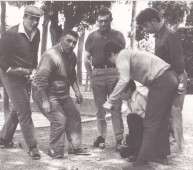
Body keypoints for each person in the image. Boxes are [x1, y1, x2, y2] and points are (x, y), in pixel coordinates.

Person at [102, 40, 178, 169]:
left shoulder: (121, 56)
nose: (114, 65)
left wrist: (110, 101)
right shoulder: (130, 54)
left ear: (111, 54)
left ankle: (141, 163)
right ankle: (161, 156)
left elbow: (124, 80)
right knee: (160, 121)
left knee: (150, 122)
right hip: (169, 78)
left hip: (161, 81)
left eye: (110, 61)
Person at [0, 5, 44, 160]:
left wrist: (32, 70)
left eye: (37, 19)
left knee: (18, 108)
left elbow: (34, 54)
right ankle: (32, 147)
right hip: (10, 75)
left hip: (25, 75)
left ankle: (4, 139)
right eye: (32, 19)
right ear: (24, 17)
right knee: (25, 109)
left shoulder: (37, 32)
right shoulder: (10, 34)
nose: (35, 23)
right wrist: (9, 70)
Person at [136, 7, 188, 154]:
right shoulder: (160, 35)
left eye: (146, 25)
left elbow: (178, 63)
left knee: (174, 112)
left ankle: (177, 147)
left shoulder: (170, 35)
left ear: (154, 21)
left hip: (176, 77)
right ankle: (170, 146)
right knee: (166, 112)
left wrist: (177, 82)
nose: (145, 29)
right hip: (167, 78)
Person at [32, 29, 87, 159]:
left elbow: (72, 76)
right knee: (59, 120)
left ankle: (76, 146)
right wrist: (45, 100)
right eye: (68, 41)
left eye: (74, 42)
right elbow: (40, 80)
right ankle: (55, 150)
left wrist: (78, 91)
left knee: (74, 116)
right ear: (61, 39)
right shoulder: (51, 55)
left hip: (63, 93)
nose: (71, 45)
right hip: (44, 92)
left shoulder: (72, 55)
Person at [84, 7, 126, 150]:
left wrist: (121, 73)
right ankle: (101, 137)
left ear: (111, 21)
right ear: (97, 21)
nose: (103, 24)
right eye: (100, 21)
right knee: (100, 108)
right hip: (98, 73)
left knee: (116, 107)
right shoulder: (91, 37)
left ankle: (119, 139)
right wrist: (91, 75)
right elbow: (86, 58)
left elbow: (123, 56)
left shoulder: (119, 35)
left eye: (106, 21)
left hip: (114, 73)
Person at [119, 80, 147, 163]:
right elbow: (129, 122)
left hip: (147, 128)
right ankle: (134, 149)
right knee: (123, 152)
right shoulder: (128, 100)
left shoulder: (140, 98)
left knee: (132, 117)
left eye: (120, 93)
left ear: (128, 91)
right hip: (137, 128)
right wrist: (126, 136)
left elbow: (151, 116)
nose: (119, 96)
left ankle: (139, 153)